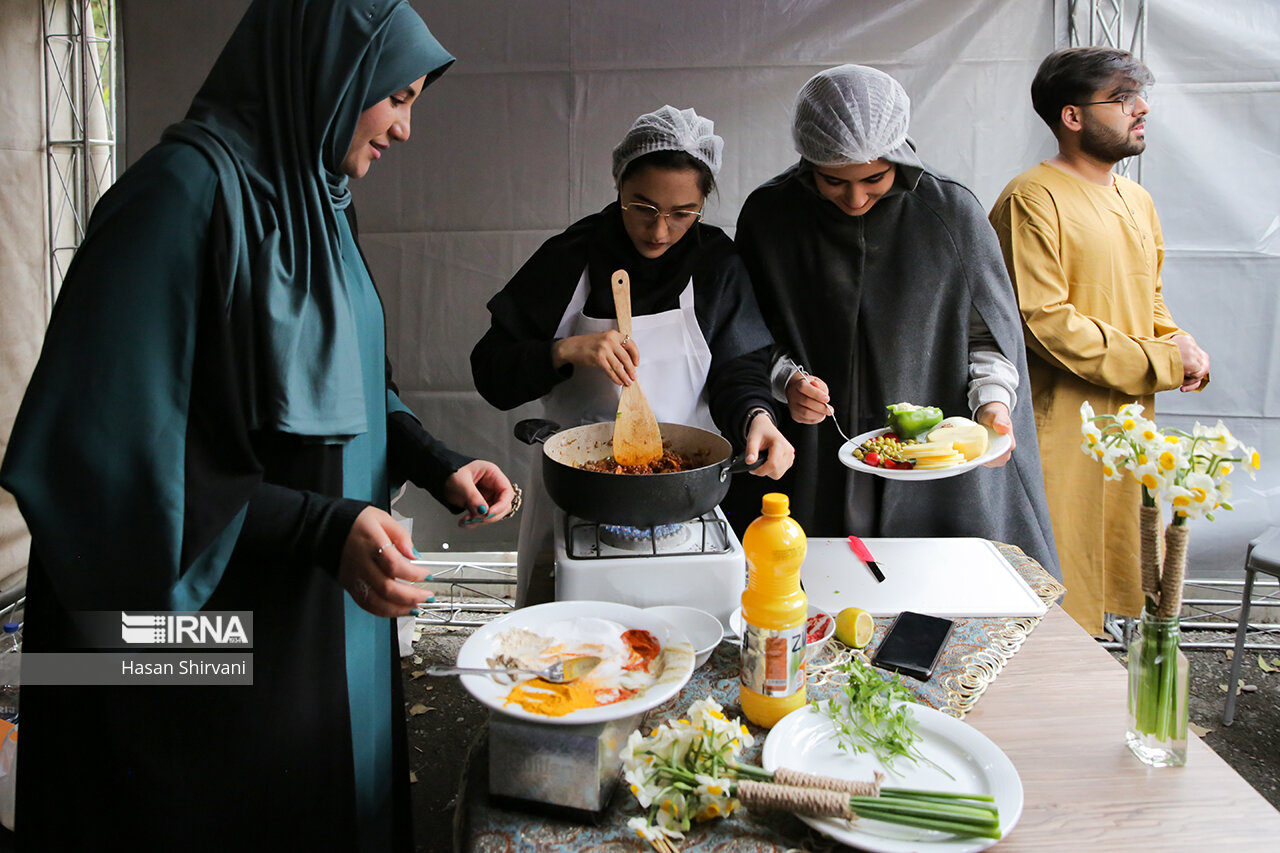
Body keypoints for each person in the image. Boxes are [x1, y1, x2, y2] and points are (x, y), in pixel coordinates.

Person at [0, 1, 515, 849]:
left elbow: (348, 380)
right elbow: (108, 454)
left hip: (321, 615)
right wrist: (321, 524)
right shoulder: (176, 199)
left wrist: (433, 457)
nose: (407, 128)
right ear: (331, 71)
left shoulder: (321, 200)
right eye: (397, 96)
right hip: (217, 643)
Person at [723, 65, 1058, 577]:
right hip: (810, 454)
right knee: (811, 593)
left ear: (899, 156)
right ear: (807, 160)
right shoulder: (772, 215)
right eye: (833, 180)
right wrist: (785, 379)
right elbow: (744, 333)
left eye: (874, 180)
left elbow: (987, 336)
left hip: (935, 462)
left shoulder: (949, 212)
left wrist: (993, 404)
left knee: (935, 592)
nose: (855, 199)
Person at [471, 105, 794, 606]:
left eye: (682, 213)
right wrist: (565, 350)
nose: (660, 231)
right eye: (642, 208)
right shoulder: (569, 257)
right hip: (580, 488)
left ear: (702, 204)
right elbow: (491, 372)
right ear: (618, 186)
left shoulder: (716, 264)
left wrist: (758, 415)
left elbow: (739, 368)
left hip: (683, 491)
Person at [989, 47, 1210, 636]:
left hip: (1129, 425)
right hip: (1059, 427)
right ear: (1072, 117)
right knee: (1057, 587)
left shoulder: (1136, 199)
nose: (1141, 110)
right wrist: (1164, 359)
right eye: (1121, 99)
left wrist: (1181, 341)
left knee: (1120, 577)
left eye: (1139, 97)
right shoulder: (1030, 199)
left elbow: (1149, 296)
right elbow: (1044, 323)